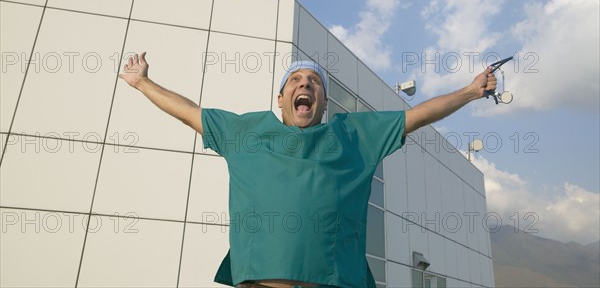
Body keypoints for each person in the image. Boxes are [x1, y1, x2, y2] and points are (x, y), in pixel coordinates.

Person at [119, 53, 497, 288]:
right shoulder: (244, 132)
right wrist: (142, 82)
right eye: (296, 81)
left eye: (314, 82)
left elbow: (417, 115)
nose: (305, 85)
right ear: (281, 98)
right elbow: (188, 110)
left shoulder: (354, 136)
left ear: (324, 102)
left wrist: (470, 91)